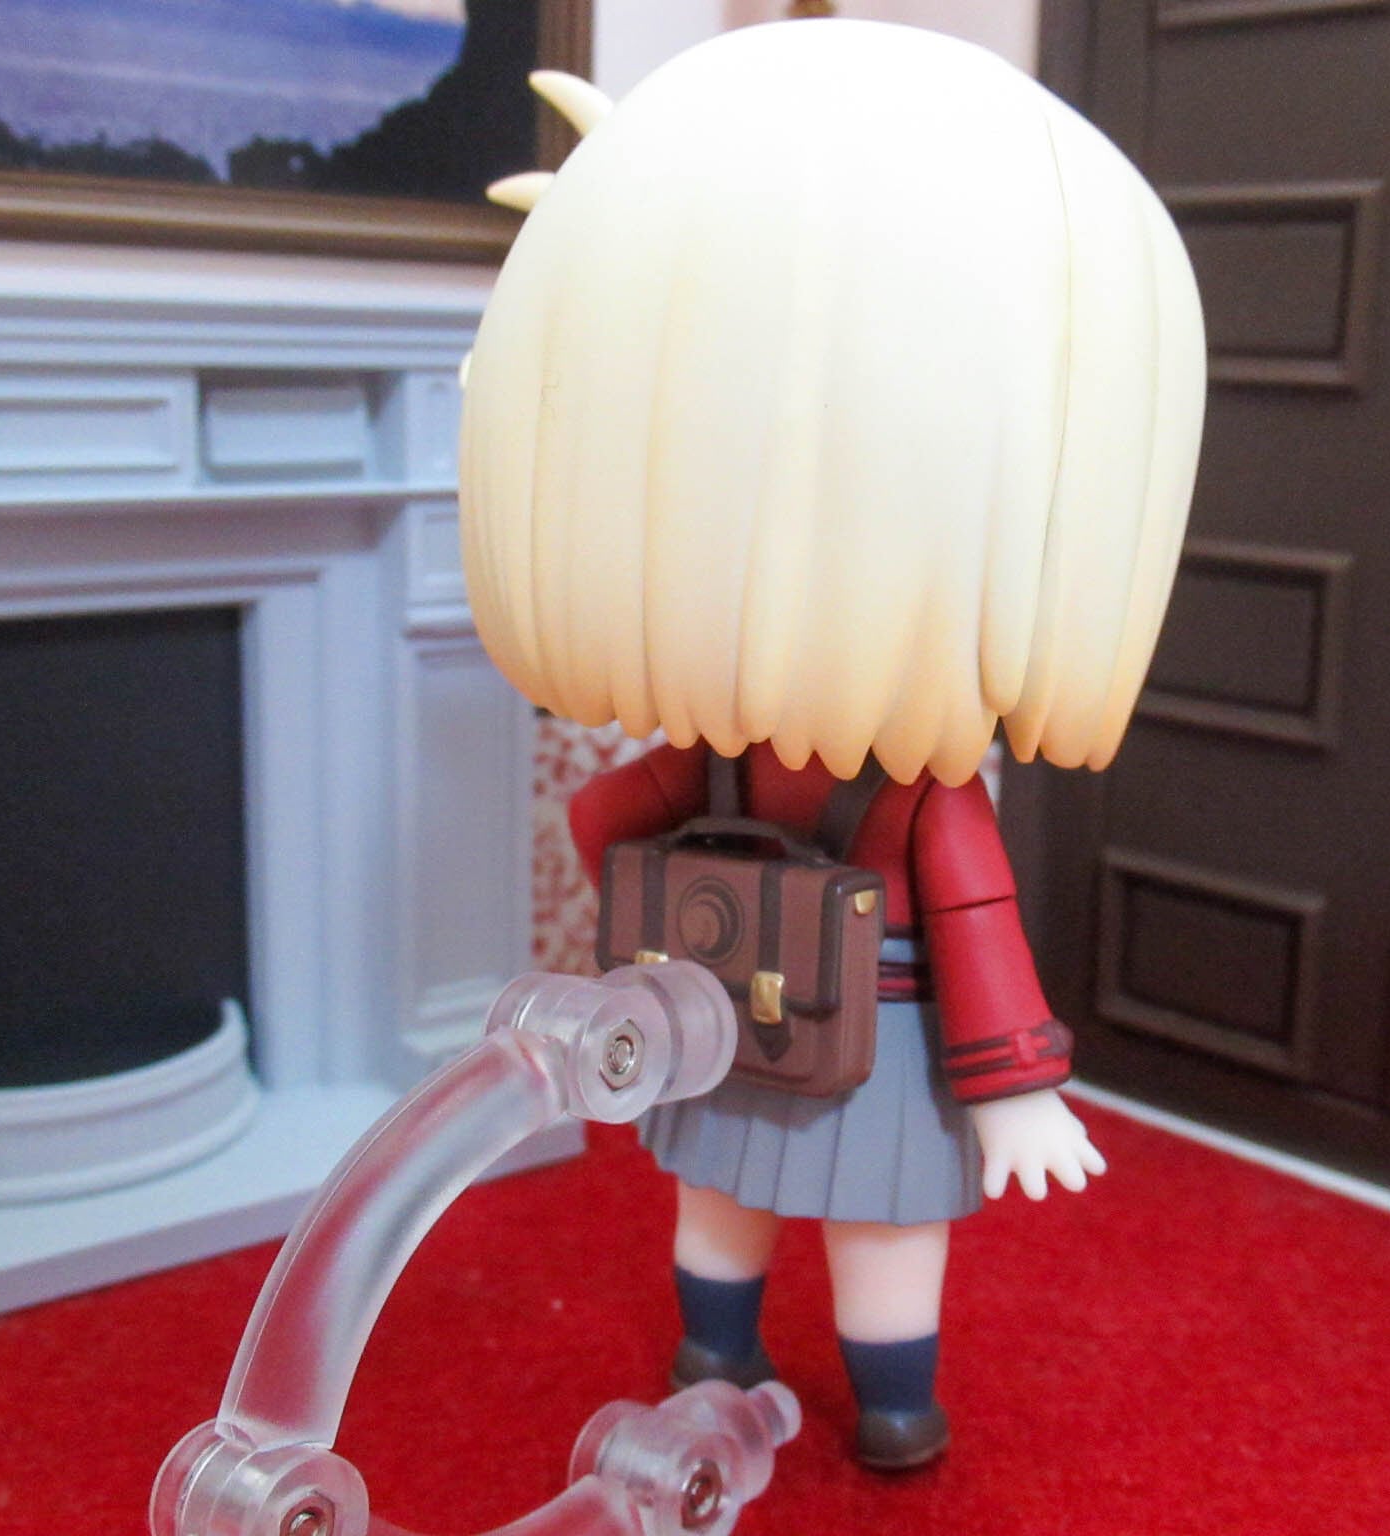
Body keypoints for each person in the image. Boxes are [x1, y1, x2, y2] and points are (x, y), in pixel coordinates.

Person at [458, 19, 1205, 1470]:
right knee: (824, 1225)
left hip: (808, 1028)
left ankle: (811, 1380)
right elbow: (965, 917)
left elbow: (616, 826)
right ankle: (822, 1386)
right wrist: (1012, 1083)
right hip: (820, 1031)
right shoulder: (811, 771)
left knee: (797, 1218)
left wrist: (1010, 1082)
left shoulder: (797, 774)